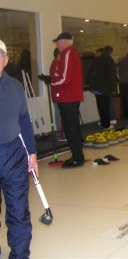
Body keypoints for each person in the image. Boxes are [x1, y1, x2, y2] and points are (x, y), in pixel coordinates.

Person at [0, 39, 38, 257]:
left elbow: (24, 120)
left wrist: (32, 153)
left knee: (18, 209)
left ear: (5, 60)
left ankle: (20, 254)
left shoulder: (15, 86)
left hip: (13, 154)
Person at [51, 32, 85, 168]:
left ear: (64, 41)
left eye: (58, 42)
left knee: (71, 129)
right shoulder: (71, 54)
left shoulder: (68, 54)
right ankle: (77, 156)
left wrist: (52, 82)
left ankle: (77, 157)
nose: (57, 44)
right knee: (72, 129)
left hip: (69, 98)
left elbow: (65, 78)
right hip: (71, 97)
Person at [88, 45, 118, 129]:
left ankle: (103, 122)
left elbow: (91, 74)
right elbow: (112, 75)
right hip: (106, 87)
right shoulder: (109, 60)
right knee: (106, 106)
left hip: (97, 88)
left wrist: (91, 86)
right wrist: (114, 88)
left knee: (100, 106)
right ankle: (106, 124)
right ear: (110, 52)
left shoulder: (96, 60)